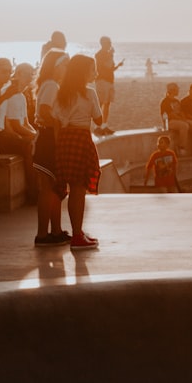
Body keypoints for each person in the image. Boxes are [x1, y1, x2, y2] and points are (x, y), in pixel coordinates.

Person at [52, 54, 103, 250]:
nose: (96, 73)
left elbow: (56, 120)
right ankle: (77, 235)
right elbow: (98, 120)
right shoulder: (89, 93)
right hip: (81, 139)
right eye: (93, 70)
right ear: (83, 72)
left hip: (65, 139)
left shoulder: (62, 93)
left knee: (71, 187)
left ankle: (77, 232)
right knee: (78, 190)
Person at [0, 58, 38, 203]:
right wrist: (5, 97)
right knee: (28, 146)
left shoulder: (3, 92)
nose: (8, 74)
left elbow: (5, 122)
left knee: (33, 143)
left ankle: (39, 188)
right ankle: (33, 193)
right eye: (4, 71)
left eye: (9, 71)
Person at [33, 49, 70, 246]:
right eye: (65, 64)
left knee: (55, 188)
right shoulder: (50, 85)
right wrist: (59, 127)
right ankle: (42, 234)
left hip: (49, 137)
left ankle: (55, 230)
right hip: (48, 139)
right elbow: (45, 112)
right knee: (47, 188)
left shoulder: (51, 85)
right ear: (56, 66)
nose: (67, 68)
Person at [4, 62, 39, 202]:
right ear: (18, 74)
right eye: (27, 75)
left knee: (40, 143)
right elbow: (15, 126)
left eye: (32, 75)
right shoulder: (11, 94)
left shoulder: (21, 96)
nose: (30, 78)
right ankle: (33, 191)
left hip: (17, 133)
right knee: (31, 146)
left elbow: (26, 123)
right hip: (8, 135)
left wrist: (36, 135)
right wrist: (35, 137)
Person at [160, 83, 192, 155]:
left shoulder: (177, 101)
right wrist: (182, 119)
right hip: (170, 122)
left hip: (180, 119)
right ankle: (181, 147)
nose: (178, 91)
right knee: (184, 126)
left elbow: (181, 112)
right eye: (177, 89)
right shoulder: (165, 102)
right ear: (172, 90)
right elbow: (170, 115)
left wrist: (184, 118)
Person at [93, 36, 124, 136]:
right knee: (101, 103)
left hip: (109, 80)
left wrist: (118, 66)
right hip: (102, 80)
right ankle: (98, 127)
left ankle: (104, 125)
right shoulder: (99, 55)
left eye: (110, 42)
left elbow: (110, 68)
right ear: (103, 43)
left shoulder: (108, 55)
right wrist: (110, 56)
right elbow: (104, 67)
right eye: (108, 42)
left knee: (107, 103)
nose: (110, 44)